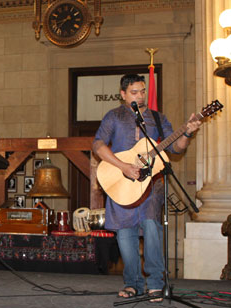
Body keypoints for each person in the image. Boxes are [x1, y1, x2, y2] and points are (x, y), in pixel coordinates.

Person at [92, 74, 201, 302]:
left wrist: (188, 132)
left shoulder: (158, 119)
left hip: (153, 184)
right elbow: (98, 145)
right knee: (125, 234)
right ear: (123, 95)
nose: (140, 96)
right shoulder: (113, 116)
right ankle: (132, 283)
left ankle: (155, 284)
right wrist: (123, 166)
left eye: (142, 91)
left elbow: (177, 148)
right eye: (134, 92)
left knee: (152, 230)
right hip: (121, 182)